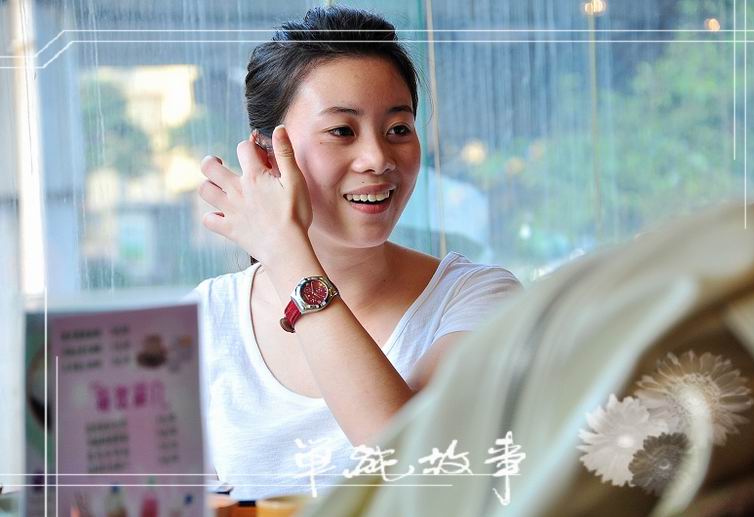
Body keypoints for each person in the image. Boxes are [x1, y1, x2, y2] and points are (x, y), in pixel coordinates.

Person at [194, 6, 521, 500]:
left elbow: (412, 468)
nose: (378, 159)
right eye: (342, 131)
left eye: (398, 129)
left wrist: (285, 253)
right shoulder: (207, 317)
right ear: (266, 156)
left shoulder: (478, 299)